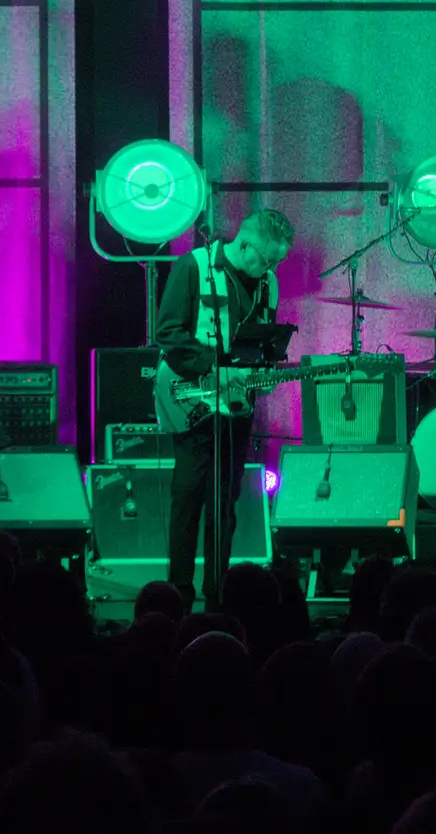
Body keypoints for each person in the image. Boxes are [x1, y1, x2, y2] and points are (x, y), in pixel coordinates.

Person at [154, 208, 294, 609]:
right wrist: (212, 370)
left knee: (225, 501)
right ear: (245, 244)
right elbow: (168, 332)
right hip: (191, 397)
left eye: (276, 262)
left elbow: (261, 342)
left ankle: (218, 595)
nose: (269, 268)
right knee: (188, 498)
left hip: (235, 404)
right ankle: (178, 596)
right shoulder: (194, 267)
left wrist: (264, 371)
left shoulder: (268, 282)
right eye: (266, 259)